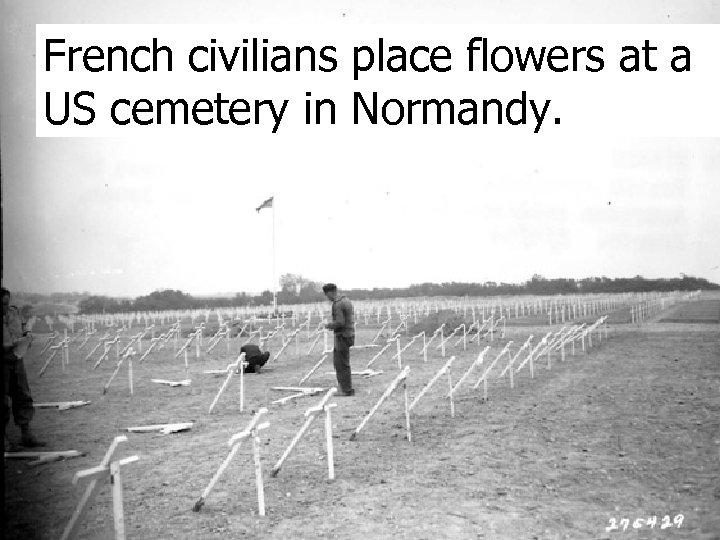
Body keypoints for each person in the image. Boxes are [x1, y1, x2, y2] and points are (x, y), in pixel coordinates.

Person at [2, 287, 45, 450]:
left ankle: (26, 434)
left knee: (23, 395)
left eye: (6, 303)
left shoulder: (14, 312)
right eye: (2, 304)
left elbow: (23, 326)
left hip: (17, 358)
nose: (5, 307)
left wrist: (27, 334)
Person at [323, 283, 355, 396]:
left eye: (327, 295)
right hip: (349, 335)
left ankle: (346, 390)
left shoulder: (337, 304)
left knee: (340, 364)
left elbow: (340, 322)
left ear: (330, 292)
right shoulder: (346, 300)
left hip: (342, 336)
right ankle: (346, 388)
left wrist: (328, 325)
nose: (328, 298)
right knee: (344, 363)